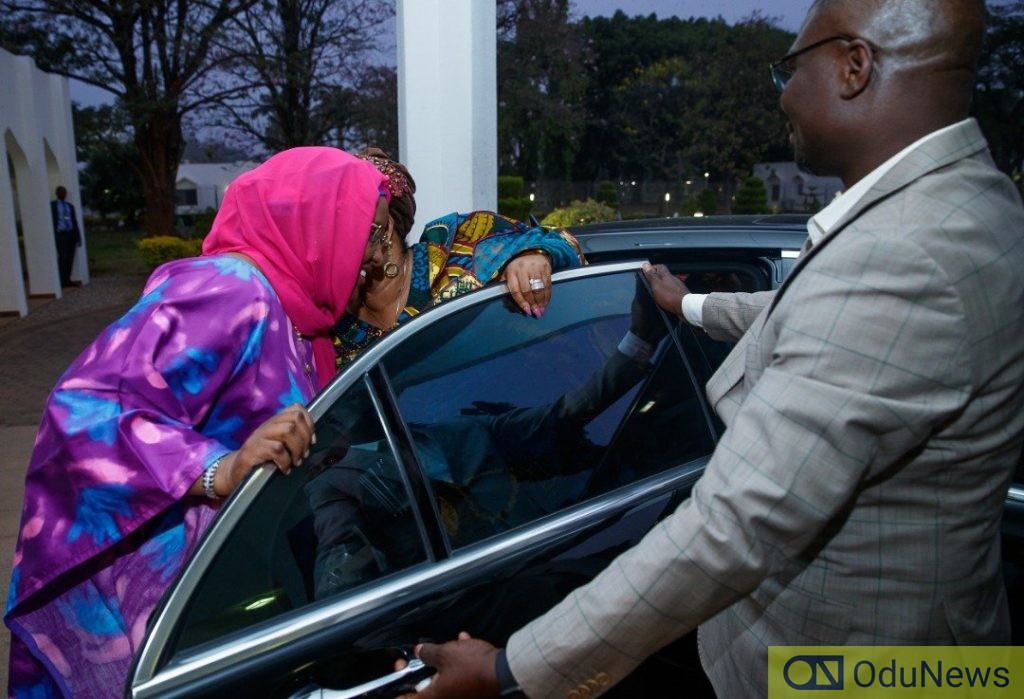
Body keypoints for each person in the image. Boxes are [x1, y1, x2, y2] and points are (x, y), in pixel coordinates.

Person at [405, 1, 1024, 697]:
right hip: (949, 654)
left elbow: (737, 521)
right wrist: (689, 306)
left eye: (790, 68)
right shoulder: (978, 202)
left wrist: (510, 668)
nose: (784, 93)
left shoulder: (901, 253)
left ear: (854, 66)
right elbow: (824, 318)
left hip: (850, 669)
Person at [4, 147, 390, 697]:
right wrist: (218, 468)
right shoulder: (231, 289)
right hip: (148, 612)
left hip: (213, 597)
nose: (374, 256)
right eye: (366, 234)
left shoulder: (301, 313)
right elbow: (86, 407)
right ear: (317, 224)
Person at [334, 149, 585, 370]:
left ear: (384, 230)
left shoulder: (458, 246)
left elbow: (564, 244)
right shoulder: (328, 326)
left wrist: (533, 256)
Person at [50, 185, 81, 287]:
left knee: (70, 258)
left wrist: (78, 237)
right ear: (57, 193)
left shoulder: (70, 206)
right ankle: (61, 280)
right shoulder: (52, 206)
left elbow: (74, 221)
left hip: (70, 234)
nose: (63, 194)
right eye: (61, 192)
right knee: (63, 257)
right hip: (60, 234)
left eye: (64, 192)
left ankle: (67, 279)